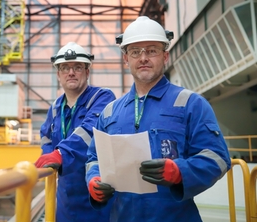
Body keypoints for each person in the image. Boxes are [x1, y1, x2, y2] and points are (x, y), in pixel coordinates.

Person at [85, 16, 231, 222]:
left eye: (152, 50)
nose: (143, 58)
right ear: (126, 59)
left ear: (165, 56)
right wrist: (94, 179)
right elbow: (94, 159)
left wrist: (181, 171)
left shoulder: (190, 103)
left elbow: (218, 158)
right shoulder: (110, 112)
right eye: (135, 52)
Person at [34, 42, 116, 222]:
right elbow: (46, 137)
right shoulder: (56, 108)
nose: (71, 72)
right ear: (58, 74)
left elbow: (90, 130)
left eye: (77, 67)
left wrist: (60, 154)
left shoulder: (102, 98)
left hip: (97, 191)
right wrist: (49, 156)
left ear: (87, 72)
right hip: (66, 199)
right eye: (65, 68)